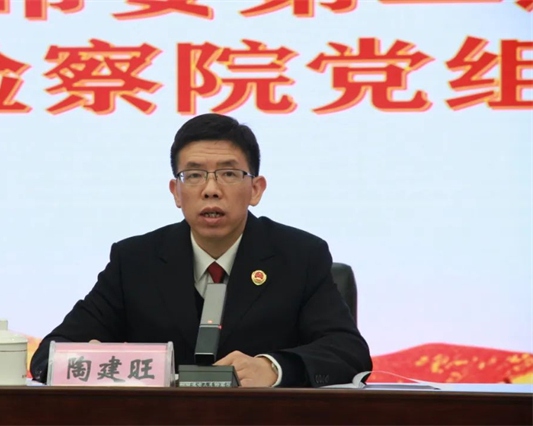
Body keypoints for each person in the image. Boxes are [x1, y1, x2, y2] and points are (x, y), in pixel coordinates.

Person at [30, 113, 372, 387]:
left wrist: (273, 368)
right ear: (176, 192)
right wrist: (88, 362)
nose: (211, 189)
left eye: (228, 173)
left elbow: (349, 353)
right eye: (193, 175)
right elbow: (47, 357)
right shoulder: (134, 261)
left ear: (256, 189)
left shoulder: (300, 256)